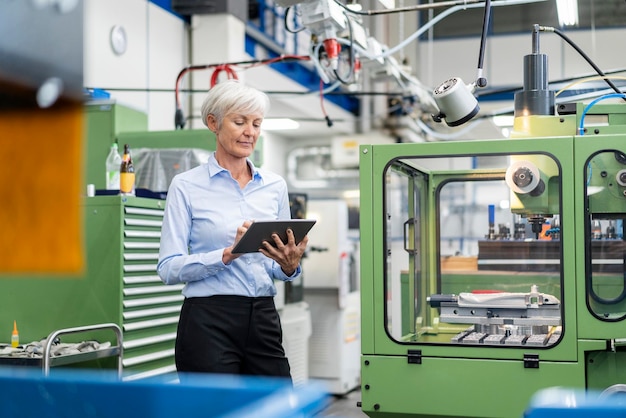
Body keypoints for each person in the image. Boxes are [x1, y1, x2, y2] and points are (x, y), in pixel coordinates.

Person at [157, 79, 308, 381]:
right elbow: (168, 268)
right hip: (208, 321)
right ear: (213, 122)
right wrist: (227, 255)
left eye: (256, 123)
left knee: (277, 405)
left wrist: (290, 266)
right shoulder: (186, 186)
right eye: (239, 122)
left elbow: (277, 269)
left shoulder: (274, 186)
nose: (250, 131)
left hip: (263, 315)